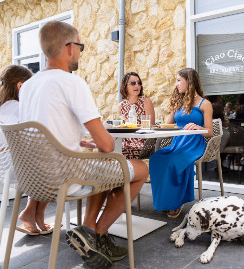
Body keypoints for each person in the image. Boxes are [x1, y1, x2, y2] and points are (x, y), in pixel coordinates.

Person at [18, 21, 148, 268]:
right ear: (69, 48)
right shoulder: (72, 82)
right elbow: (107, 144)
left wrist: (79, 139)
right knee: (138, 169)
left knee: (102, 164)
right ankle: (94, 232)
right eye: (80, 46)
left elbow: (42, 131)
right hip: (65, 178)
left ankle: (90, 230)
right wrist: (100, 140)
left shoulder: (29, 86)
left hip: (33, 180)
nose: (80, 52)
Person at [0, 65, 55, 235]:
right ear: (21, 86)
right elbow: (36, 137)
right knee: (55, 167)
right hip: (10, 168)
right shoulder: (17, 107)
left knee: (44, 162)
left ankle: (31, 213)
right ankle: (35, 213)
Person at [149, 68, 213, 218]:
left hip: (194, 143)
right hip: (178, 142)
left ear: (189, 82)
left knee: (172, 162)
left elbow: (209, 132)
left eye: (179, 80)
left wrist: (199, 127)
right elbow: (168, 124)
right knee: (157, 158)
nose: (176, 84)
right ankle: (166, 199)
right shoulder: (179, 102)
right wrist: (157, 125)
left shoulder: (205, 104)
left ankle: (177, 201)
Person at [117, 72, 155, 158]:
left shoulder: (146, 101)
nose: (137, 85)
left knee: (121, 151)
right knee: (109, 150)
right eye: (133, 83)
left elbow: (152, 125)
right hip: (125, 140)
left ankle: (128, 170)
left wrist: (134, 126)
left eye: (139, 83)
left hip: (143, 141)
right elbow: (119, 127)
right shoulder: (121, 106)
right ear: (125, 86)